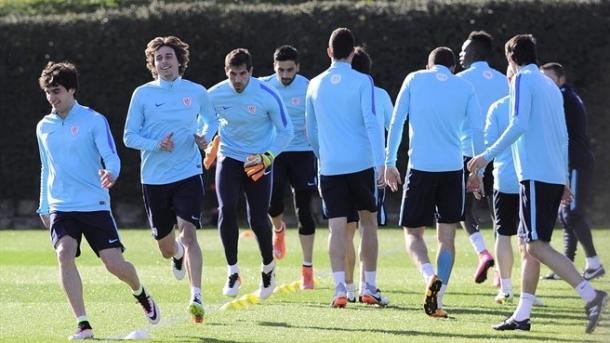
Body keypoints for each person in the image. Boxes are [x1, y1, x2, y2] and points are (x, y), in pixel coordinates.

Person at [468, 34, 607, 333]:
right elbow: (563, 135)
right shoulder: (551, 86)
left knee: (535, 246)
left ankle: (591, 295)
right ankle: (522, 314)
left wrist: (485, 156)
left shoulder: (522, 80)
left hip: (534, 175)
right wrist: (564, 178)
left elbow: (519, 123)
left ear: (511, 59)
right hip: (549, 175)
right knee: (529, 246)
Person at [36, 61, 160, 340]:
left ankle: (141, 293)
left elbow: (112, 156)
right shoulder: (43, 126)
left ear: (72, 90)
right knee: (64, 253)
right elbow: (46, 166)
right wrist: (44, 205)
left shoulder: (93, 120)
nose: (52, 97)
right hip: (61, 205)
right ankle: (83, 324)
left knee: (114, 265)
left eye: (56, 91)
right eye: (47, 92)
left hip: (94, 204)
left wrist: (111, 174)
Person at [385, 47, 484, 318]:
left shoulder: (414, 79)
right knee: (447, 238)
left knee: (413, 234)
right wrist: (477, 172)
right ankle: (438, 300)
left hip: (421, 169)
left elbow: (397, 121)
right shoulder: (464, 87)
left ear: (429, 66)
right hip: (453, 170)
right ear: (453, 68)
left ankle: (429, 276)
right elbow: (476, 130)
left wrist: (389, 162)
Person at [123, 36, 217, 323]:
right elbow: (129, 136)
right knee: (166, 247)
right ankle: (176, 255)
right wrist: (155, 145)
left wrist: (205, 136)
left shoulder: (196, 91)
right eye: (159, 58)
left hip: (188, 172)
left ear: (179, 61)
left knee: (189, 233)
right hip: (154, 178)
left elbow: (211, 120)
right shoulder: (142, 94)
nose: (164, 62)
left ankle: (196, 296)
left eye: (168, 57)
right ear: (153, 63)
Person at [306, 28, 388, 308]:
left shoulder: (314, 84)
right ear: (353, 53)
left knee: (336, 228)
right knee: (368, 225)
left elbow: (311, 131)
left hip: (330, 166)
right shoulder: (363, 81)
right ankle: (370, 287)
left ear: (329, 52)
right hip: (361, 163)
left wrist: (322, 158)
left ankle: (340, 287)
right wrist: (381, 163)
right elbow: (371, 122)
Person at [208, 48, 293, 300]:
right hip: (229, 157)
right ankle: (233, 271)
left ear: (251, 72)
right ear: (226, 72)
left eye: (242, 74)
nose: (237, 80)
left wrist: (268, 156)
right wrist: (207, 140)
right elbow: (204, 123)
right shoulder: (213, 94)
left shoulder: (268, 94)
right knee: (226, 210)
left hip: (258, 161)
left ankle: (268, 268)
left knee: (257, 218)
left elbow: (286, 132)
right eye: (232, 74)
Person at [259, 45, 317, 289]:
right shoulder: (263, 85)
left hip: (303, 153)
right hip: (275, 153)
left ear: (298, 68)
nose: (285, 74)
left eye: (290, 70)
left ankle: (307, 269)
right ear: (274, 67)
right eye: (281, 69)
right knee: (272, 205)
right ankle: (279, 229)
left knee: (305, 210)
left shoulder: (308, 86)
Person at [539, 62, 604, 281]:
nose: (546, 84)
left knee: (571, 213)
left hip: (577, 163)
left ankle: (593, 262)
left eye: (549, 79)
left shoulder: (563, 97)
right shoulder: (565, 95)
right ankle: (565, 266)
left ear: (561, 79)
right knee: (566, 215)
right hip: (571, 163)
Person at [457, 30, 509, 284]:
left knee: (462, 209)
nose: (460, 54)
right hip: (498, 153)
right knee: (498, 212)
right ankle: (502, 269)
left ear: (475, 52)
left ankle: (483, 253)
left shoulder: (459, 80)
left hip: (467, 153)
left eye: (464, 50)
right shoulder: (504, 80)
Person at [344, 46, 393, 302]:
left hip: (339, 167)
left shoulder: (337, 91)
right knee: (369, 225)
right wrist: (387, 161)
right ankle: (367, 286)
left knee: (344, 229)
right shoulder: (379, 94)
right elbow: (391, 126)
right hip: (368, 167)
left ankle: (348, 288)